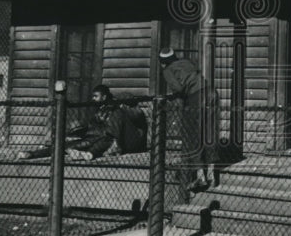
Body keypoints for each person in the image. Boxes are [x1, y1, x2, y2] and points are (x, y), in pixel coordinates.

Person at [16, 84, 148, 161]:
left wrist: (120, 105)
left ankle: (90, 153)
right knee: (71, 144)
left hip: (127, 143)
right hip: (103, 139)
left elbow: (136, 115)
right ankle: (33, 154)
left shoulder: (125, 110)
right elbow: (94, 130)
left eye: (96, 96)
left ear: (104, 97)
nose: (93, 99)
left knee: (103, 136)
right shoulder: (101, 110)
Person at [158, 48, 218, 192]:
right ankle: (212, 175)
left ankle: (200, 176)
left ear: (163, 62)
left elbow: (178, 88)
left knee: (192, 136)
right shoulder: (186, 62)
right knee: (209, 133)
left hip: (196, 97)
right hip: (211, 92)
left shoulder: (167, 70)